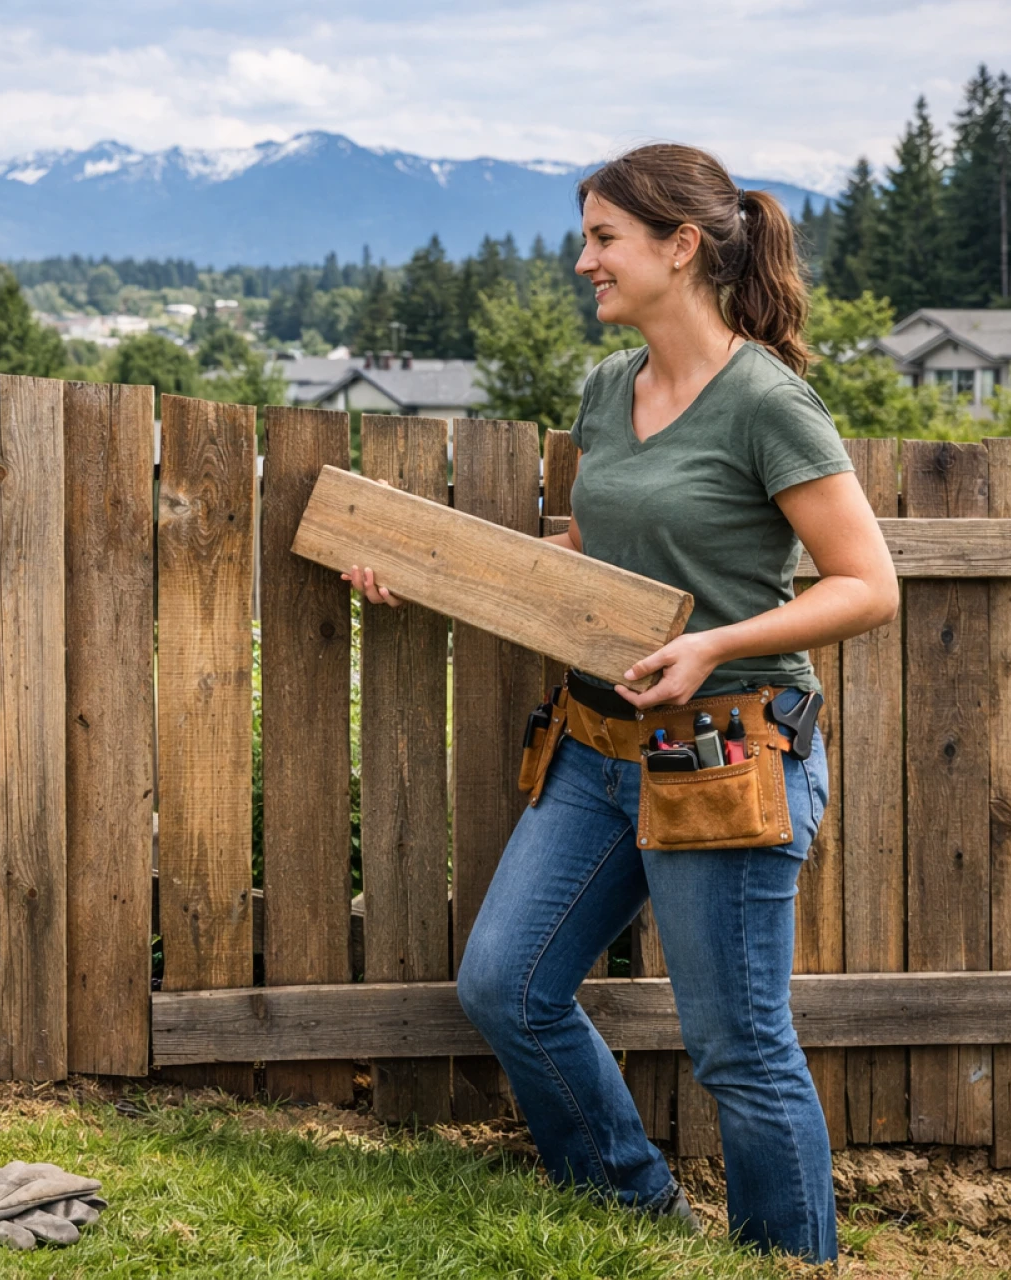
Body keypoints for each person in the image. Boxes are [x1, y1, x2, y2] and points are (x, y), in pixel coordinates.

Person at [349, 144, 897, 1262]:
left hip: (728, 757)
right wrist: (429, 568)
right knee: (506, 982)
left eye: (603, 237)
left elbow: (867, 584)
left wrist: (715, 645)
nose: (583, 259)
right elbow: (597, 549)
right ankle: (634, 1215)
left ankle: (789, 1260)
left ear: (680, 246)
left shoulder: (768, 402)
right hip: (595, 750)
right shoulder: (609, 387)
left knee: (740, 1046)